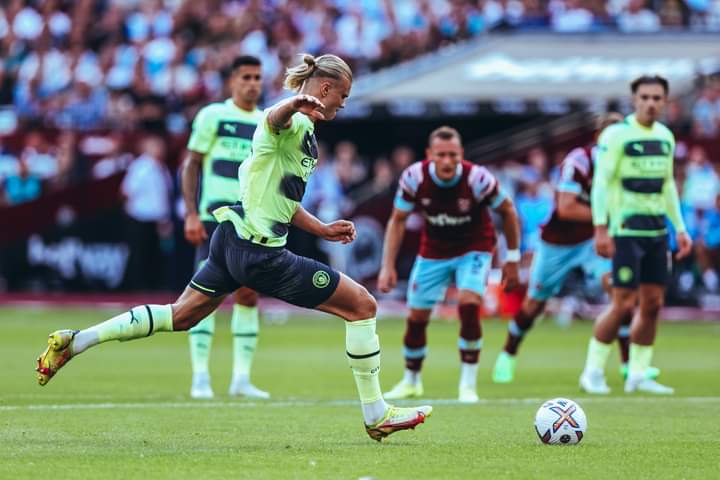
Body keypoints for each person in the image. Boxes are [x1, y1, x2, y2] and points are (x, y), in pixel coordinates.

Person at [36, 53, 431, 442]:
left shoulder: (306, 131)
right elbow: (273, 119)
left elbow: (285, 202)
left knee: (181, 315)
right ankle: (376, 414)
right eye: (342, 96)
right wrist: (295, 102)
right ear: (325, 88)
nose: (343, 104)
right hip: (260, 254)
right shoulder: (291, 120)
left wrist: (322, 228)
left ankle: (76, 340)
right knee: (362, 305)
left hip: (232, 239)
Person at [492, 113, 661, 384]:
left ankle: (628, 365)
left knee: (621, 296)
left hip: (596, 240)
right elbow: (566, 207)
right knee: (535, 302)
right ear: (598, 137)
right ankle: (508, 354)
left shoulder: (628, 165)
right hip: (559, 242)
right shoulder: (579, 161)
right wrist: (610, 217)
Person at [377, 126, 521, 403]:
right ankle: (411, 381)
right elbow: (398, 220)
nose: (447, 161)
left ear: (461, 154)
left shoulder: (477, 178)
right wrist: (388, 265)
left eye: (453, 155)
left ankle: (467, 385)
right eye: (440, 155)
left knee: (469, 304)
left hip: (474, 247)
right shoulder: (414, 177)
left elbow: (508, 210)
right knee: (417, 317)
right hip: (434, 250)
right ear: (429, 154)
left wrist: (512, 259)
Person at [579, 75, 692, 395]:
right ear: (634, 100)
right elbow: (601, 183)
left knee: (653, 304)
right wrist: (601, 227)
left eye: (657, 98)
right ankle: (592, 372)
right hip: (626, 231)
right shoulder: (616, 135)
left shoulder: (665, 136)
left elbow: (667, 185)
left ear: (665, 101)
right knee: (623, 303)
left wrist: (680, 228)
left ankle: (638, 375)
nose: (650, 103)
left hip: (657, 232)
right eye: (645, 97)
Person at [181, 55, 268, 400]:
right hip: (214, 217)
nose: (253, 84)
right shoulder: (213, 115)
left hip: (252, 220)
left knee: (248, 293)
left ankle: (241, 378)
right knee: (204, 294)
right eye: (246, 77)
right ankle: (200, 376)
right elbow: (192, 164)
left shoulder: (266, 121)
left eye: (257, 78)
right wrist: (190, 213)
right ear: (233, 81)